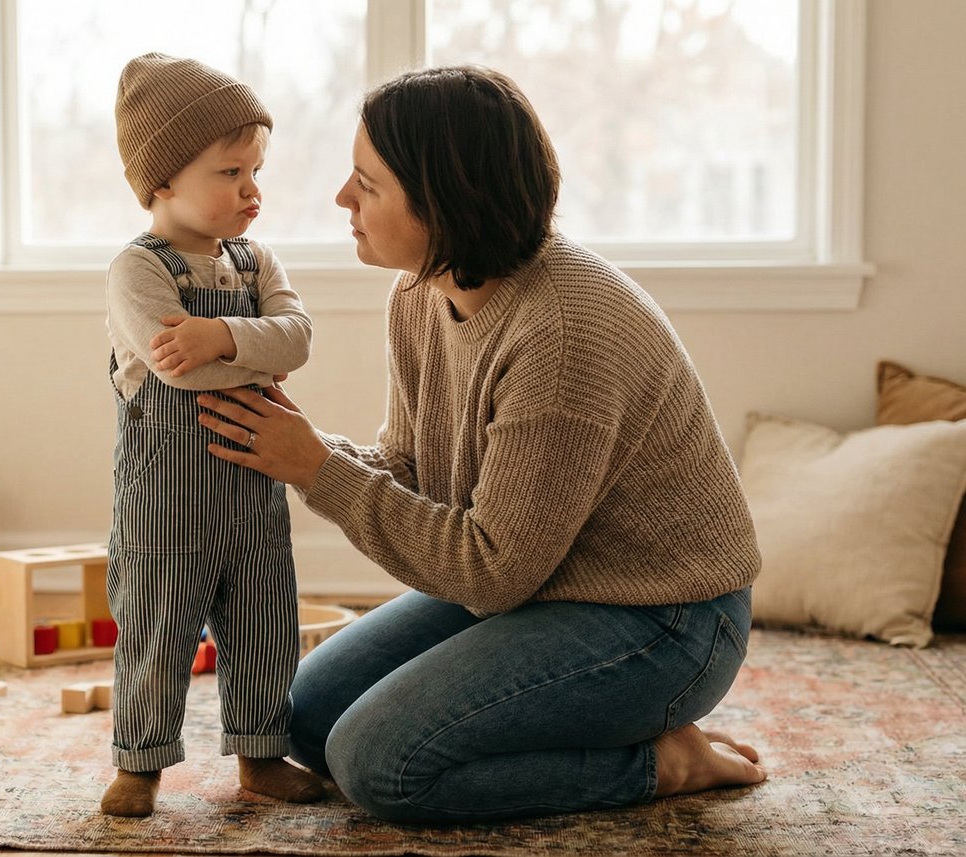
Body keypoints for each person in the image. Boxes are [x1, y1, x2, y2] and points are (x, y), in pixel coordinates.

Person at [193, 65, 769, 823]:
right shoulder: (420, 292)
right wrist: (294, 444)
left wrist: (318, 467)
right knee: (299, 717)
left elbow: (491, 570)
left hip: (663, 618)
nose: (343, 199)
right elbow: (413, 472)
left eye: (367, 184)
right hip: (540, 579)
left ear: (442, 204)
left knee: (379, 765)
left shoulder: (563, 333)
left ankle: (659, 760)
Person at [101, 52, 322, 818]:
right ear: (162, 180)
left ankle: (261, 755)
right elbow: (177, 372)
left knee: (265, 625)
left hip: (255, 494)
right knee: (157, 633)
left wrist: (222, 337)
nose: (253, 191)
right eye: (232, 172)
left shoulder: (255, 259)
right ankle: (141, 760)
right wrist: (246, 345)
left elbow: (296, 338)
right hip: (167, 505)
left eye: (256, 171)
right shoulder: (138, 271)